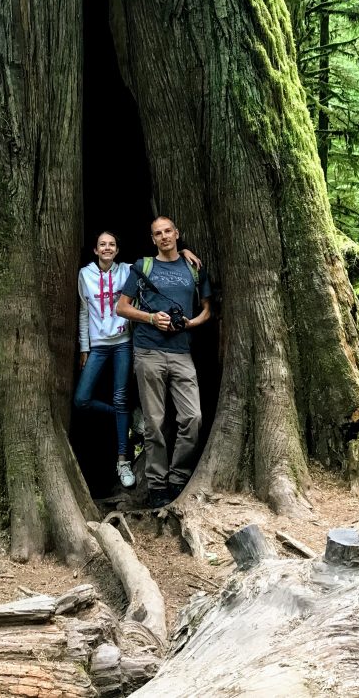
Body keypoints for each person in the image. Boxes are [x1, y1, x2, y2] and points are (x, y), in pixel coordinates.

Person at [76, 231, 200, 489]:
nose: (107, 248)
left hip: (123, 343)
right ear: (95, 250)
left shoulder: (129, 270)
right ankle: (131, 419)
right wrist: (84, 348)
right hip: (98, 346)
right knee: (82, 400)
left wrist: (184, 250)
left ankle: (122, 460)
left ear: (117, 250)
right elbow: (84, 311)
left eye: (111, 244)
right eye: (102, 245)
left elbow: (162, 259)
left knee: (120, 397)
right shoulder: (84, 275)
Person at [116, 216, 211, 508]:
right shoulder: (143, 266)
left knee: (192, 418)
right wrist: (151, 318)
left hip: (182, 352)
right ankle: (157, 484)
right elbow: (122, 307)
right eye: (158, 233)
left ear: (177, 234)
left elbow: (207, 309)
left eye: (168, 231)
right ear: (153, 239)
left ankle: (178, 477)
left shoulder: (192, 268)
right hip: (148, 352)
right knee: (154, 423)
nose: (164, 236)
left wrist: (190, 323)